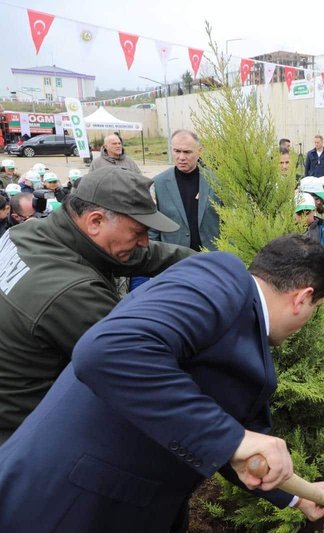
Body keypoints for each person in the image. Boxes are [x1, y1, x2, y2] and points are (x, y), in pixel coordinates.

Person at [0, 235, 324, 530]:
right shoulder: (221, 279)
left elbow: (228, 440)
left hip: (125, 507)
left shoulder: (246, 333)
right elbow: (108, 350)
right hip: (63, 505)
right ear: (302, 297)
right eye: (316, 308)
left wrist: (298, 496)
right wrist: (232, 438)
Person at [0, 167, 193, 444]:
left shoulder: (32, 233)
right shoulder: (72, 293)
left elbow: (141, 255)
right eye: (139, 231)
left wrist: (212, 265)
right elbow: (147, 374)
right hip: (24, 446)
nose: (143, 242)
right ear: (95, 221)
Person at [150, 130, 221, 252]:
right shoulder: (157, 184)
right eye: (177, 151)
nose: (181, 157)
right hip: (173, 260)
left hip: (211, 257)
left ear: (199, 152)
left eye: (187, 152)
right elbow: (152, 229)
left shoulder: (216, 182)